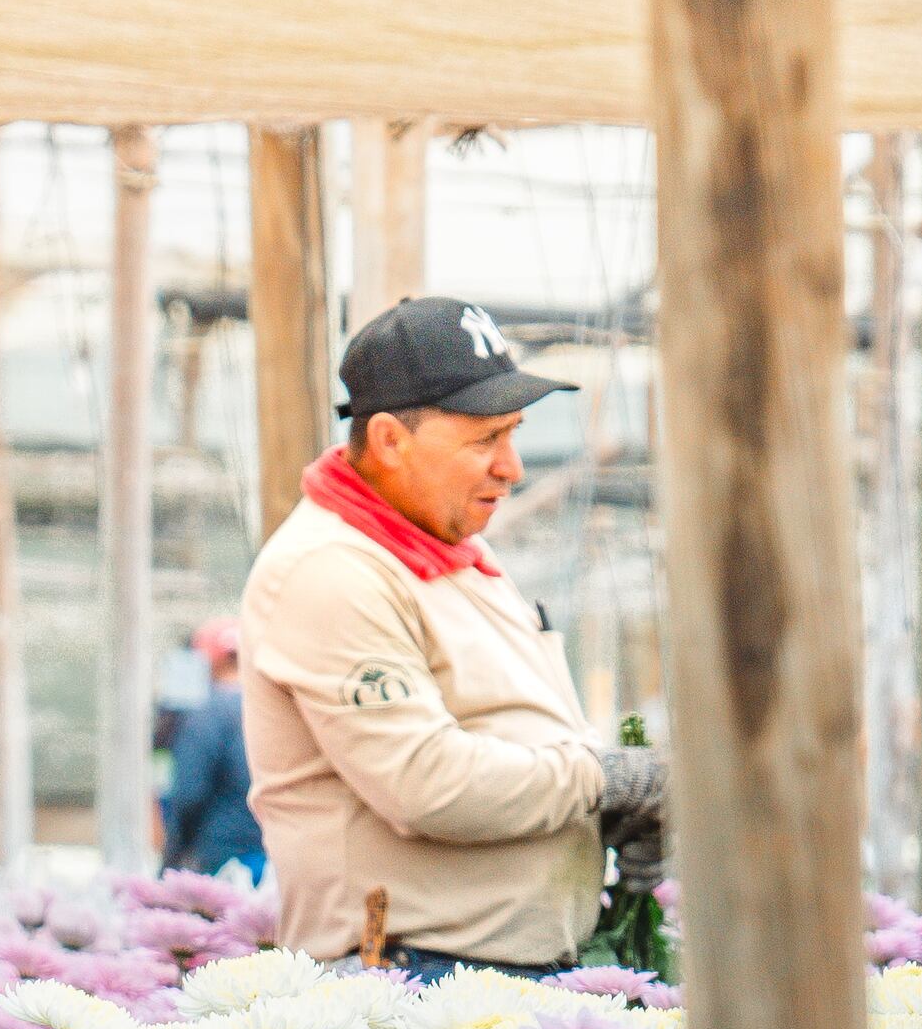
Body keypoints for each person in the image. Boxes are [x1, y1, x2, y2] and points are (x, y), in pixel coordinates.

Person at [239, 297, 663, 972]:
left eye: (513, 434)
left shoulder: (449, 553)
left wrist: (610, 814)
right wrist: (600, 780)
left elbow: (506, 737)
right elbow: (424, 784)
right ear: (388, 441)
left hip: (491, 970)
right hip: (414, 977)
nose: (512, 467)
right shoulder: (331, 570)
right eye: (484, 439)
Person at [162, 617, 263, 877]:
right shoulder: (273, 710)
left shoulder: (206, 713)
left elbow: (189, 793)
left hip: (224, 861)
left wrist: (173, 855)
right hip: (275, 853)